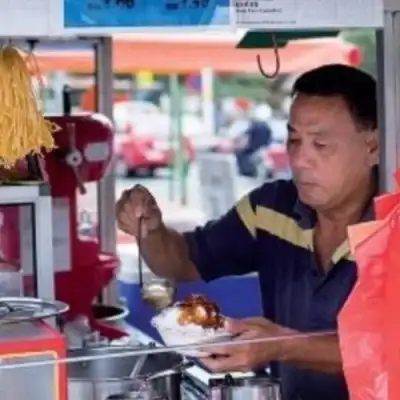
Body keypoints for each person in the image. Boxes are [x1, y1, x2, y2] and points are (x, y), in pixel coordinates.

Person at [116, 64, 378, 400]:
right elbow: (183, 263)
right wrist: (150, 230)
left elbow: (389, 350)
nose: (300, 159)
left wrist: (281, 345)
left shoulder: (392, 225)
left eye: (321, 144)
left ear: (373, 146)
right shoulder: (270, 208)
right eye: (294, 139)